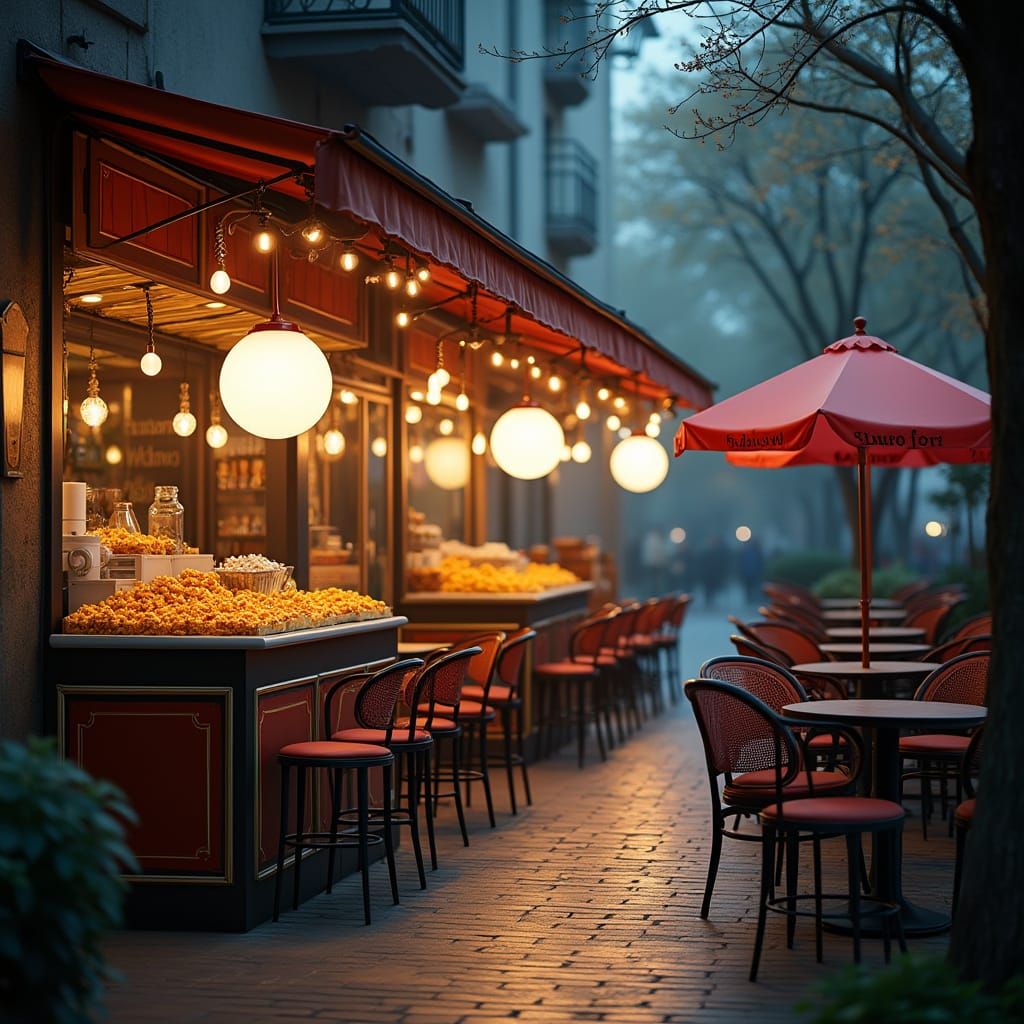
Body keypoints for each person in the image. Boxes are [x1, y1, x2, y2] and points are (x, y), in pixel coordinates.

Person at [739, 537, 765, 604]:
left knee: (752, 586)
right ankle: (750, 598)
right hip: (749, 572)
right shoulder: (747, 551)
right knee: (749, 586)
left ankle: (751, 598)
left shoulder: (756, 551)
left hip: (752, 572)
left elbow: (760, 563)